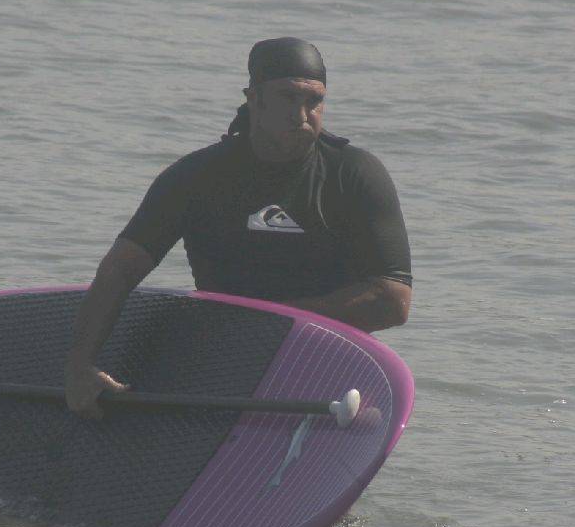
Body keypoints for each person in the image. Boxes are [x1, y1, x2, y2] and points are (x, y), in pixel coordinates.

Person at [64, 37, 412, 418]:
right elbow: (120, 268)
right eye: (288, 98)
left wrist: (276, 322)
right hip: (224, 356)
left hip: (323, 356)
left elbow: (393, 301)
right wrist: (81, 363)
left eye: (314, 101)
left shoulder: (354, 175)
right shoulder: (198, 176)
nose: (301, 115)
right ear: (254, 98)